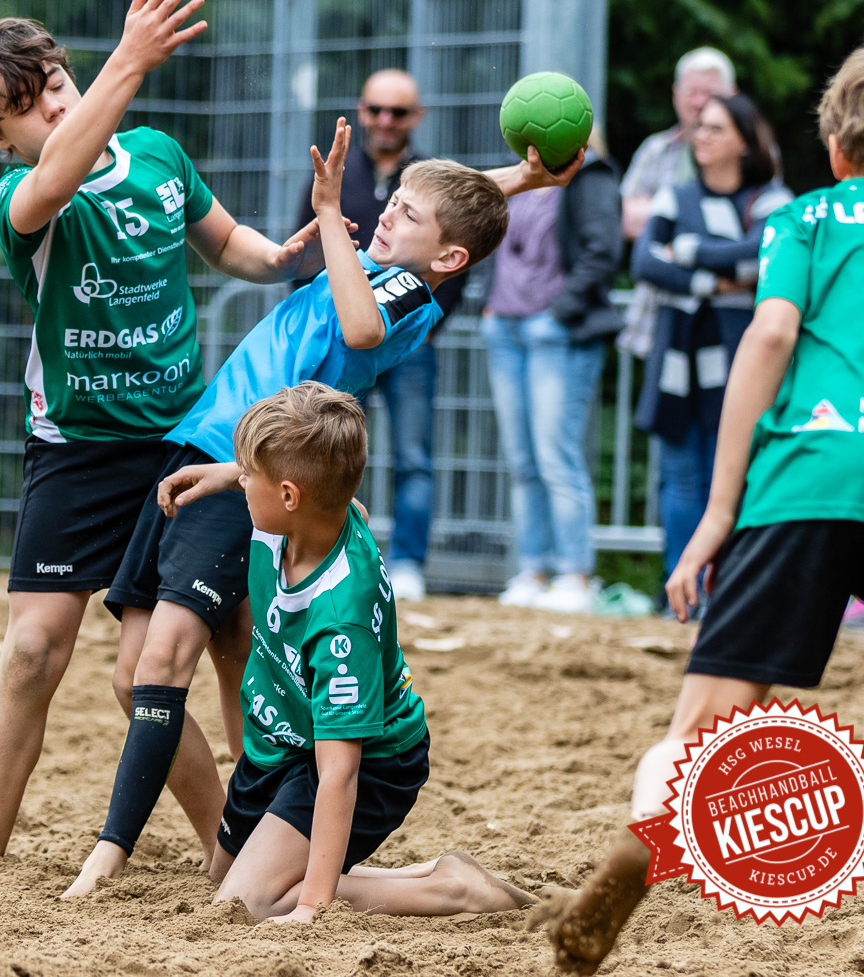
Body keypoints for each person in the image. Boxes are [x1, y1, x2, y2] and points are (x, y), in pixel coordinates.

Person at [60, 118, 580, 896]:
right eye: (391, 201)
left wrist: (334, 213)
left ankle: (117, 854)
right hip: (205, 445)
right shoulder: (392, 260)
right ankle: (236, 846)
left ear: (441, 258)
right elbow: (445, 210)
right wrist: (518, 177)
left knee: (155, 673)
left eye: (403, 213)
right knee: (175, 665)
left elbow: (368, 316)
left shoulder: (400, 289)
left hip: (251, 463)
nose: (390, 212)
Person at [548, 37, 864, 977]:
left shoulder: (811, 216)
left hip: (812, 470)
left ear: (839, 145)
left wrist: (721, 511)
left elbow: (769, 333)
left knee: (699, 735)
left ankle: (644, 847)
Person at [0, 0, 338, 878]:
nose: (51, 102)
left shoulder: (158, 154)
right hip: (75, 454)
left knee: (219, 646)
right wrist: (131, 58)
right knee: (37, 648)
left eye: (54, 82)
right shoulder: (23, 200)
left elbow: (223, 239)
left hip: (183, 445)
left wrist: (277, 256)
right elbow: (56, 175)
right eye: (25, 106)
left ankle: (233, 844)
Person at [164, 384, 537, 921]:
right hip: (288, 742)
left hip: (369, 759)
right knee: (226, 875)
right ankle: (420, 875)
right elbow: (325, 490)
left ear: (289, 495)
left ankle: (457, 892)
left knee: (249, 902)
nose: (240, 481)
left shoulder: (341, 619)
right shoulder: (314, 514)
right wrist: (229, 473)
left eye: (248, 474)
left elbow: (340, 774)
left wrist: (314, 908)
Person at [293, 69, 465, 603]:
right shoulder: (334, 174)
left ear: (418, 117)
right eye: (376, 110)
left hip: (410, 344)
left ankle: (408, 564)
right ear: (362, 112)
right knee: (331, 451)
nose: (385, 121)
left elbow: (459, 261)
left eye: (398, 112)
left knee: (413, 455)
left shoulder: (432, 181)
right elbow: (308, 252)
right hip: (344, 345)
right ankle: (334, 556)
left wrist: (427, 327)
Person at [630, 93, 791, 584]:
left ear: (744, 141)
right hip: (678, 360)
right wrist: (713, 281)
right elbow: (643, 263)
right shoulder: (675, 196)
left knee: (736, 482)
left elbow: (764, 252)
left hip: (741, 360)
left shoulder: (771, 199)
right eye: (700, 127)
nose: (701, 136)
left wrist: (689, 249)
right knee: (682, 480)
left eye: (716, 128)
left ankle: (731, 591)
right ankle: (681, 591)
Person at [482, 128, 624, 613]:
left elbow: (603, 250)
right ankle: (534, 570)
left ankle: (575, 575)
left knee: (555, 455)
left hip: (557, 332)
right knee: (522, 460)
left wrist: (560, 312)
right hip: (505, 329)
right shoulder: (516, 178)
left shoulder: (593, 176)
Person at [620, 48, 736, 242]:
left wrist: (660, 214)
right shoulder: (655, 149)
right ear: (676, 95)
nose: (699, 102)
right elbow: (626, 218)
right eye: (692, 92)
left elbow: (761, 224)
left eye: (710, 93)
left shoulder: (749, 149)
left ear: (732, 96)